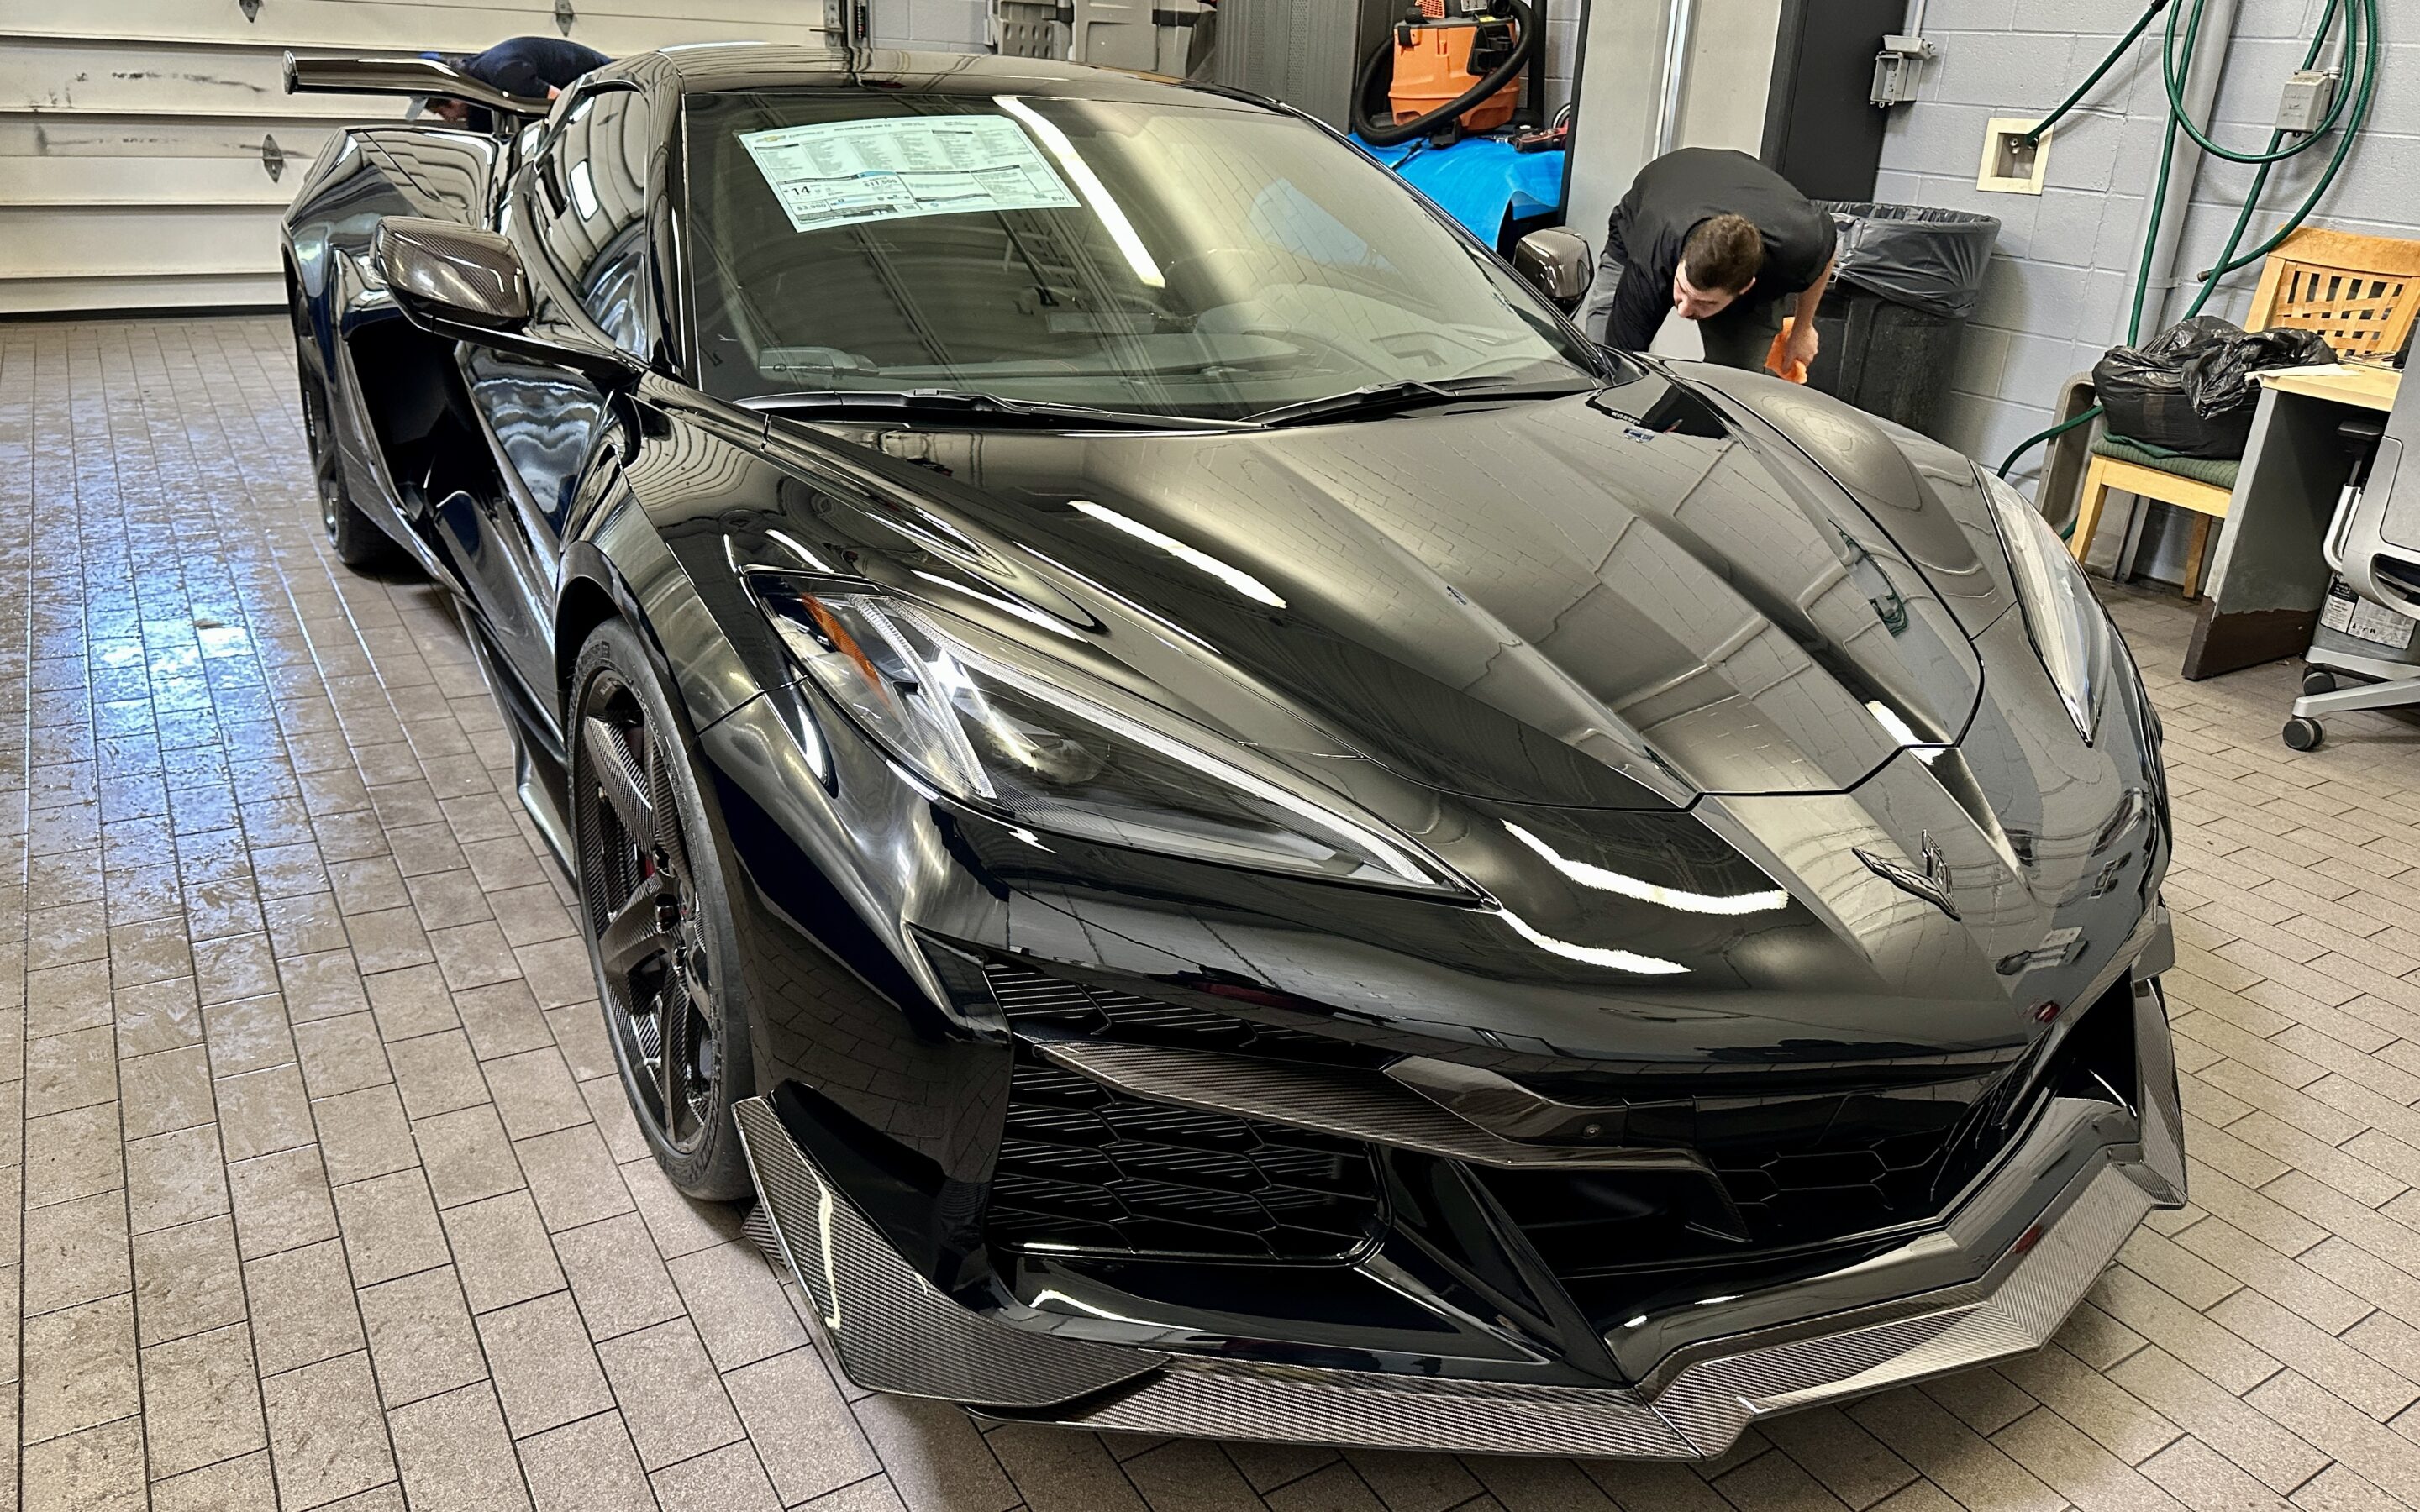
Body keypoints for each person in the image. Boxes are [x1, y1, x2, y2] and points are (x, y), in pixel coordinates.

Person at [1583, 147, 1836, 375]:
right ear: (1679, 262)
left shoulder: (1800, 244)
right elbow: (1620, 360)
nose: (1683, 310)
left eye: (1705, 303)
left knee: (1734, 384)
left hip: (1748, 199)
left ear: (1745, 288)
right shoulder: (1655, 255)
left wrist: (1803, 330)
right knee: (1605, 365)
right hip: (1656, 202)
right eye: (1682, 290)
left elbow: (1825, 254)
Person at [415, 36, 610, 129]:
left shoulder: (505, 75)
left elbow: (569, 109)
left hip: (611, 89)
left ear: (453, 98)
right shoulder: (480, 98)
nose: (447, 120)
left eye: (441, 112)